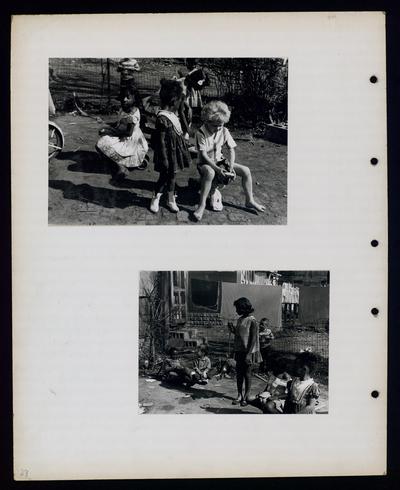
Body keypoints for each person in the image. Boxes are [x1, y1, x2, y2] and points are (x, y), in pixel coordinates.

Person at [193, 100, 266, 221]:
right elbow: (203, 155)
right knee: (210, 173)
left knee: (246, 170)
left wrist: (231, 166)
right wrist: (217, 169)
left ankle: (250, 200)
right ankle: (202, 205)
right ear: (206, 121)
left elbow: (231, 149)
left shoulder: (224, 131)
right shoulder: (200, 133)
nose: (217, 129)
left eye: (220, 125)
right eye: (214, 125)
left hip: (219, 161)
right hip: (205, 163)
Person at [149, 79, 191, 214]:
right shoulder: (162, 118)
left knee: (173, 177)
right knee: (163, 177)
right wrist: (165, 159)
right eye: (180, 101)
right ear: (174, 101)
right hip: (166, 154)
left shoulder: (173, 115)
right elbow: (161, 141)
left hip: (175, 152)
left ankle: (171, 199)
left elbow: (181, 131)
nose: (181, 104)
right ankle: (156, 197)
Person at [96, 89, 149, 182]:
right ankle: (114, 162)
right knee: (102, 139)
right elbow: (118, 123)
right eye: (123, 97)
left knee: (101, 144)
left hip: (130, 141)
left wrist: (111, 132)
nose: (124, 99)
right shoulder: (123, 109)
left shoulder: (133, 114)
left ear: (134, 99)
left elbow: (129, 133)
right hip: (122, 134)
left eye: (128, 97)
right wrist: (104, 123)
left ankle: (121, 167)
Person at [229, 297, 262, 406]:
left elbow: (253, 339)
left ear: (243, 308)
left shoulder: (252, 321)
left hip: (248, 352)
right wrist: (232, 329)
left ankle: (246, 396)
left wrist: (248, 354)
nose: (236, 311)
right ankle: (239, 395)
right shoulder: (239, 320)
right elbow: (240, 335)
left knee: (247, 374)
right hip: (239, 350)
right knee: (239, 374)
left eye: (237, 308)